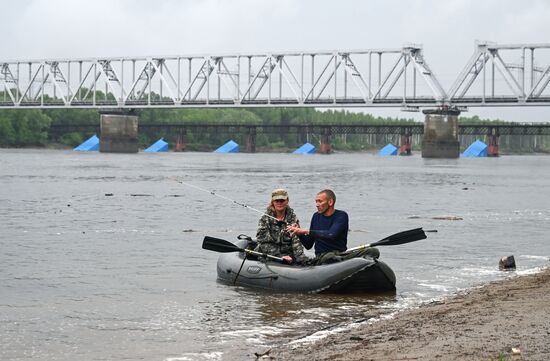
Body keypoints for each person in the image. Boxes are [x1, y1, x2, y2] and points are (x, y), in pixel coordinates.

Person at [287, 189, 379, 264]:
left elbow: (331, 234)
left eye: (320, 201)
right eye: (316, 201)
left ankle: (347, 263)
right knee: (330, 257)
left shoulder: (341, 216)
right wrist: (299, 233)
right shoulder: (316, 216)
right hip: (323, 257)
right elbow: (308, 245)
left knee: (373, 251)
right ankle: (343, 264)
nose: (317, 204)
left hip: (341, 254)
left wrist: (305, 231)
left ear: (330, 202)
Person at [254, 188, 308, 265]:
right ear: (273, 202)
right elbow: (263, 242)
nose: (279, 203)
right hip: (270, 255)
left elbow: (296, 241)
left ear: (287, 201)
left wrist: (301, 258)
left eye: (282, 200)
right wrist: (279, 256)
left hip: (288, 255)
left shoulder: (293, 218)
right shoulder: (265, 219)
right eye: (277, 201)